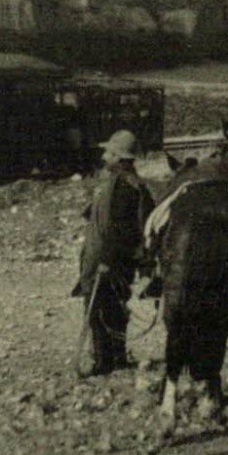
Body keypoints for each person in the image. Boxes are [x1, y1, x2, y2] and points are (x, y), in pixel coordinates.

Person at [72, 129, 153, 376]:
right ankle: (116, 356)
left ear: (119, 157)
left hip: (107, 257)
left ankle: (103, 361)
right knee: (114, 306)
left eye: (109, 152)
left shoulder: (122, 185)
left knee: (98, 307)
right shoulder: (128, 183)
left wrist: (106, 259)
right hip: (115, 257)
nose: (105, 156)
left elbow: (117, 226)